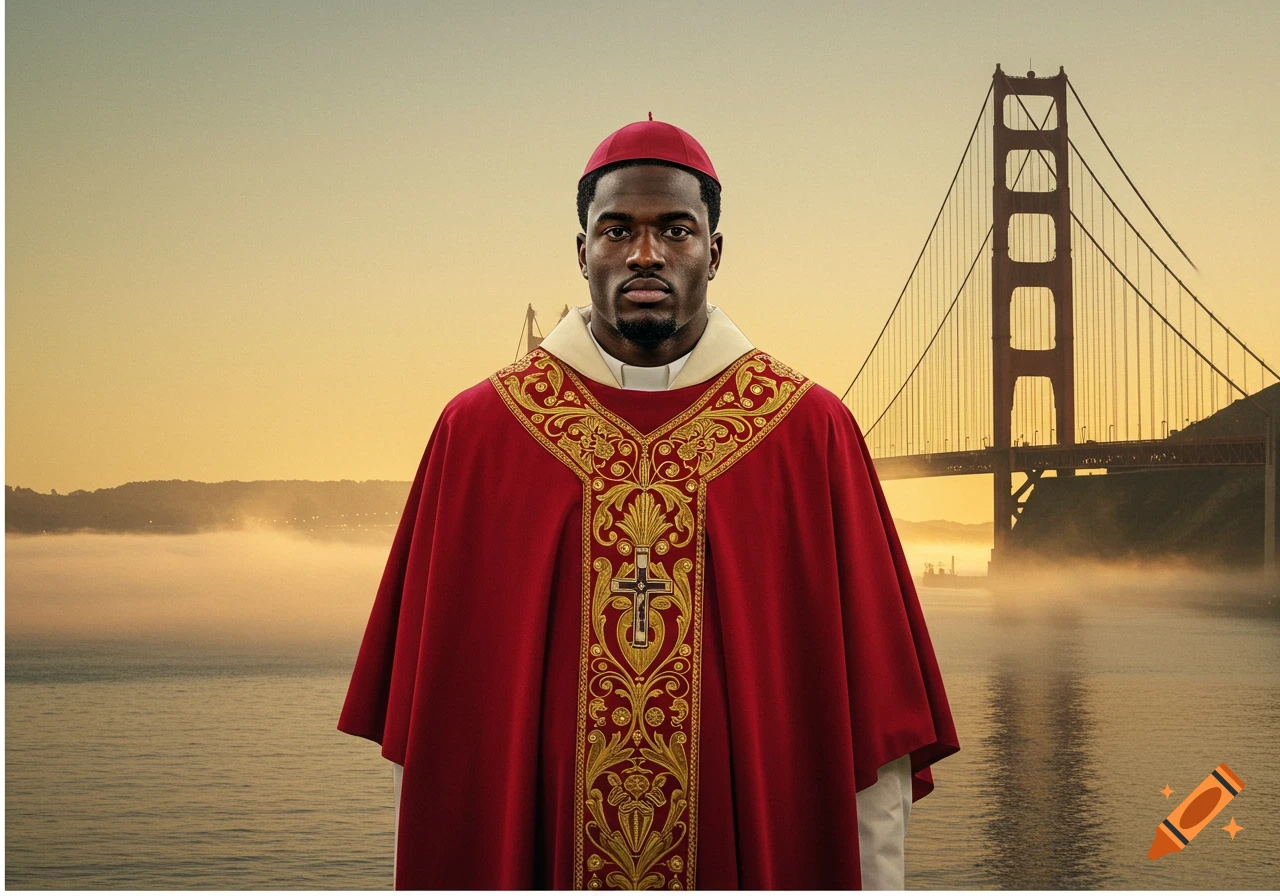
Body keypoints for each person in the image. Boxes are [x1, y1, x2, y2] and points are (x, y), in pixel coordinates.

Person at [337, 115, 959, 889]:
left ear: (715, 251)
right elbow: (429, 737)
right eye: (615, 230)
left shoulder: (807, 433)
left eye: (675, 229)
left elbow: (878, 746)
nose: (644, 254)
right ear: (580, 251)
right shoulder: (481, 434)